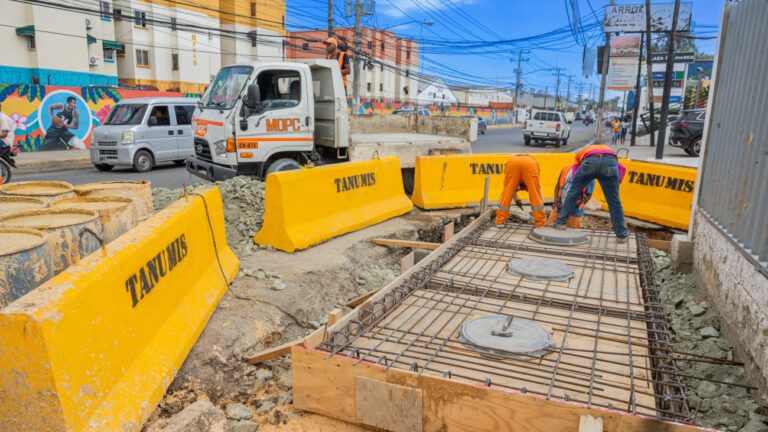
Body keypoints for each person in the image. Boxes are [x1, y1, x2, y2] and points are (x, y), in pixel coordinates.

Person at [554, 144, 628, 242]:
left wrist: (579, 190)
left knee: (572, 192)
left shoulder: (578, 156)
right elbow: (621, 170)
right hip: (610, 163)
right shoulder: (611, 154)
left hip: (590, 161)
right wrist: (613, 190)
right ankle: (621, 235)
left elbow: (574, 179)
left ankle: (560, 223)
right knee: (614, 201)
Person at [495, 154, 546, 228]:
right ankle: (540, 224)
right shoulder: (530, 177)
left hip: (513, 163)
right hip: (530, 164)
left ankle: (499, 222)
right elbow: (538, 194)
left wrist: (516, 200)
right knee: (535, 194)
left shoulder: (515, 182)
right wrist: (517, 200)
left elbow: (510, 191)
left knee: (507, 193)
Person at [546, 163, 595, 229]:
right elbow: (558, 185)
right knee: (550, 232)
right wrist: (556, 198)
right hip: (558, 208)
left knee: (570, 235)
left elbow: (588, 197)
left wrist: (575, 202)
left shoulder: (590, 176)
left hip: (573, 213)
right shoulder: (567, 168)